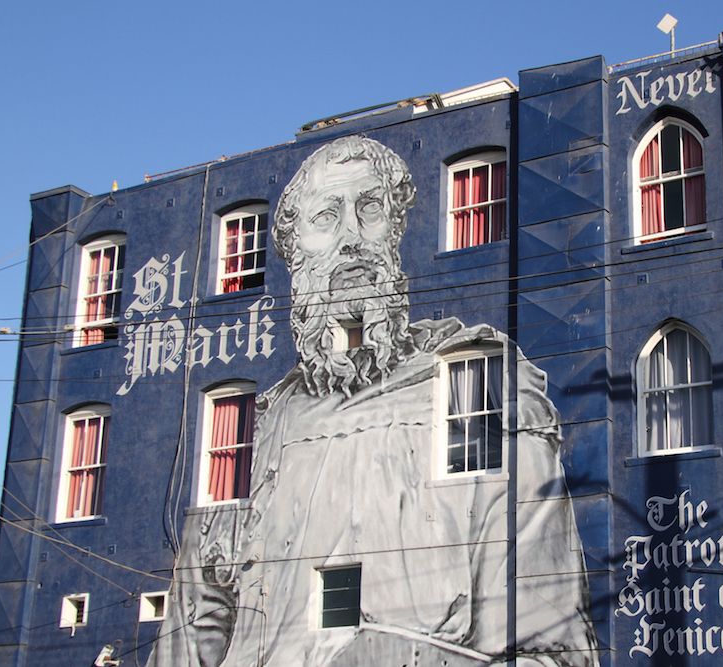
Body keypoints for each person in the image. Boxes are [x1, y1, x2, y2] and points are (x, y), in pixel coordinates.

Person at [147, 136, 598, 666]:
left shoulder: (487, 382)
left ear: (396, 228)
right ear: (295, 253)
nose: (352, 239)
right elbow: (189, 639)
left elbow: (551, 651)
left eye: (370, 210)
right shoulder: (265, 427)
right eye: (325, 218)